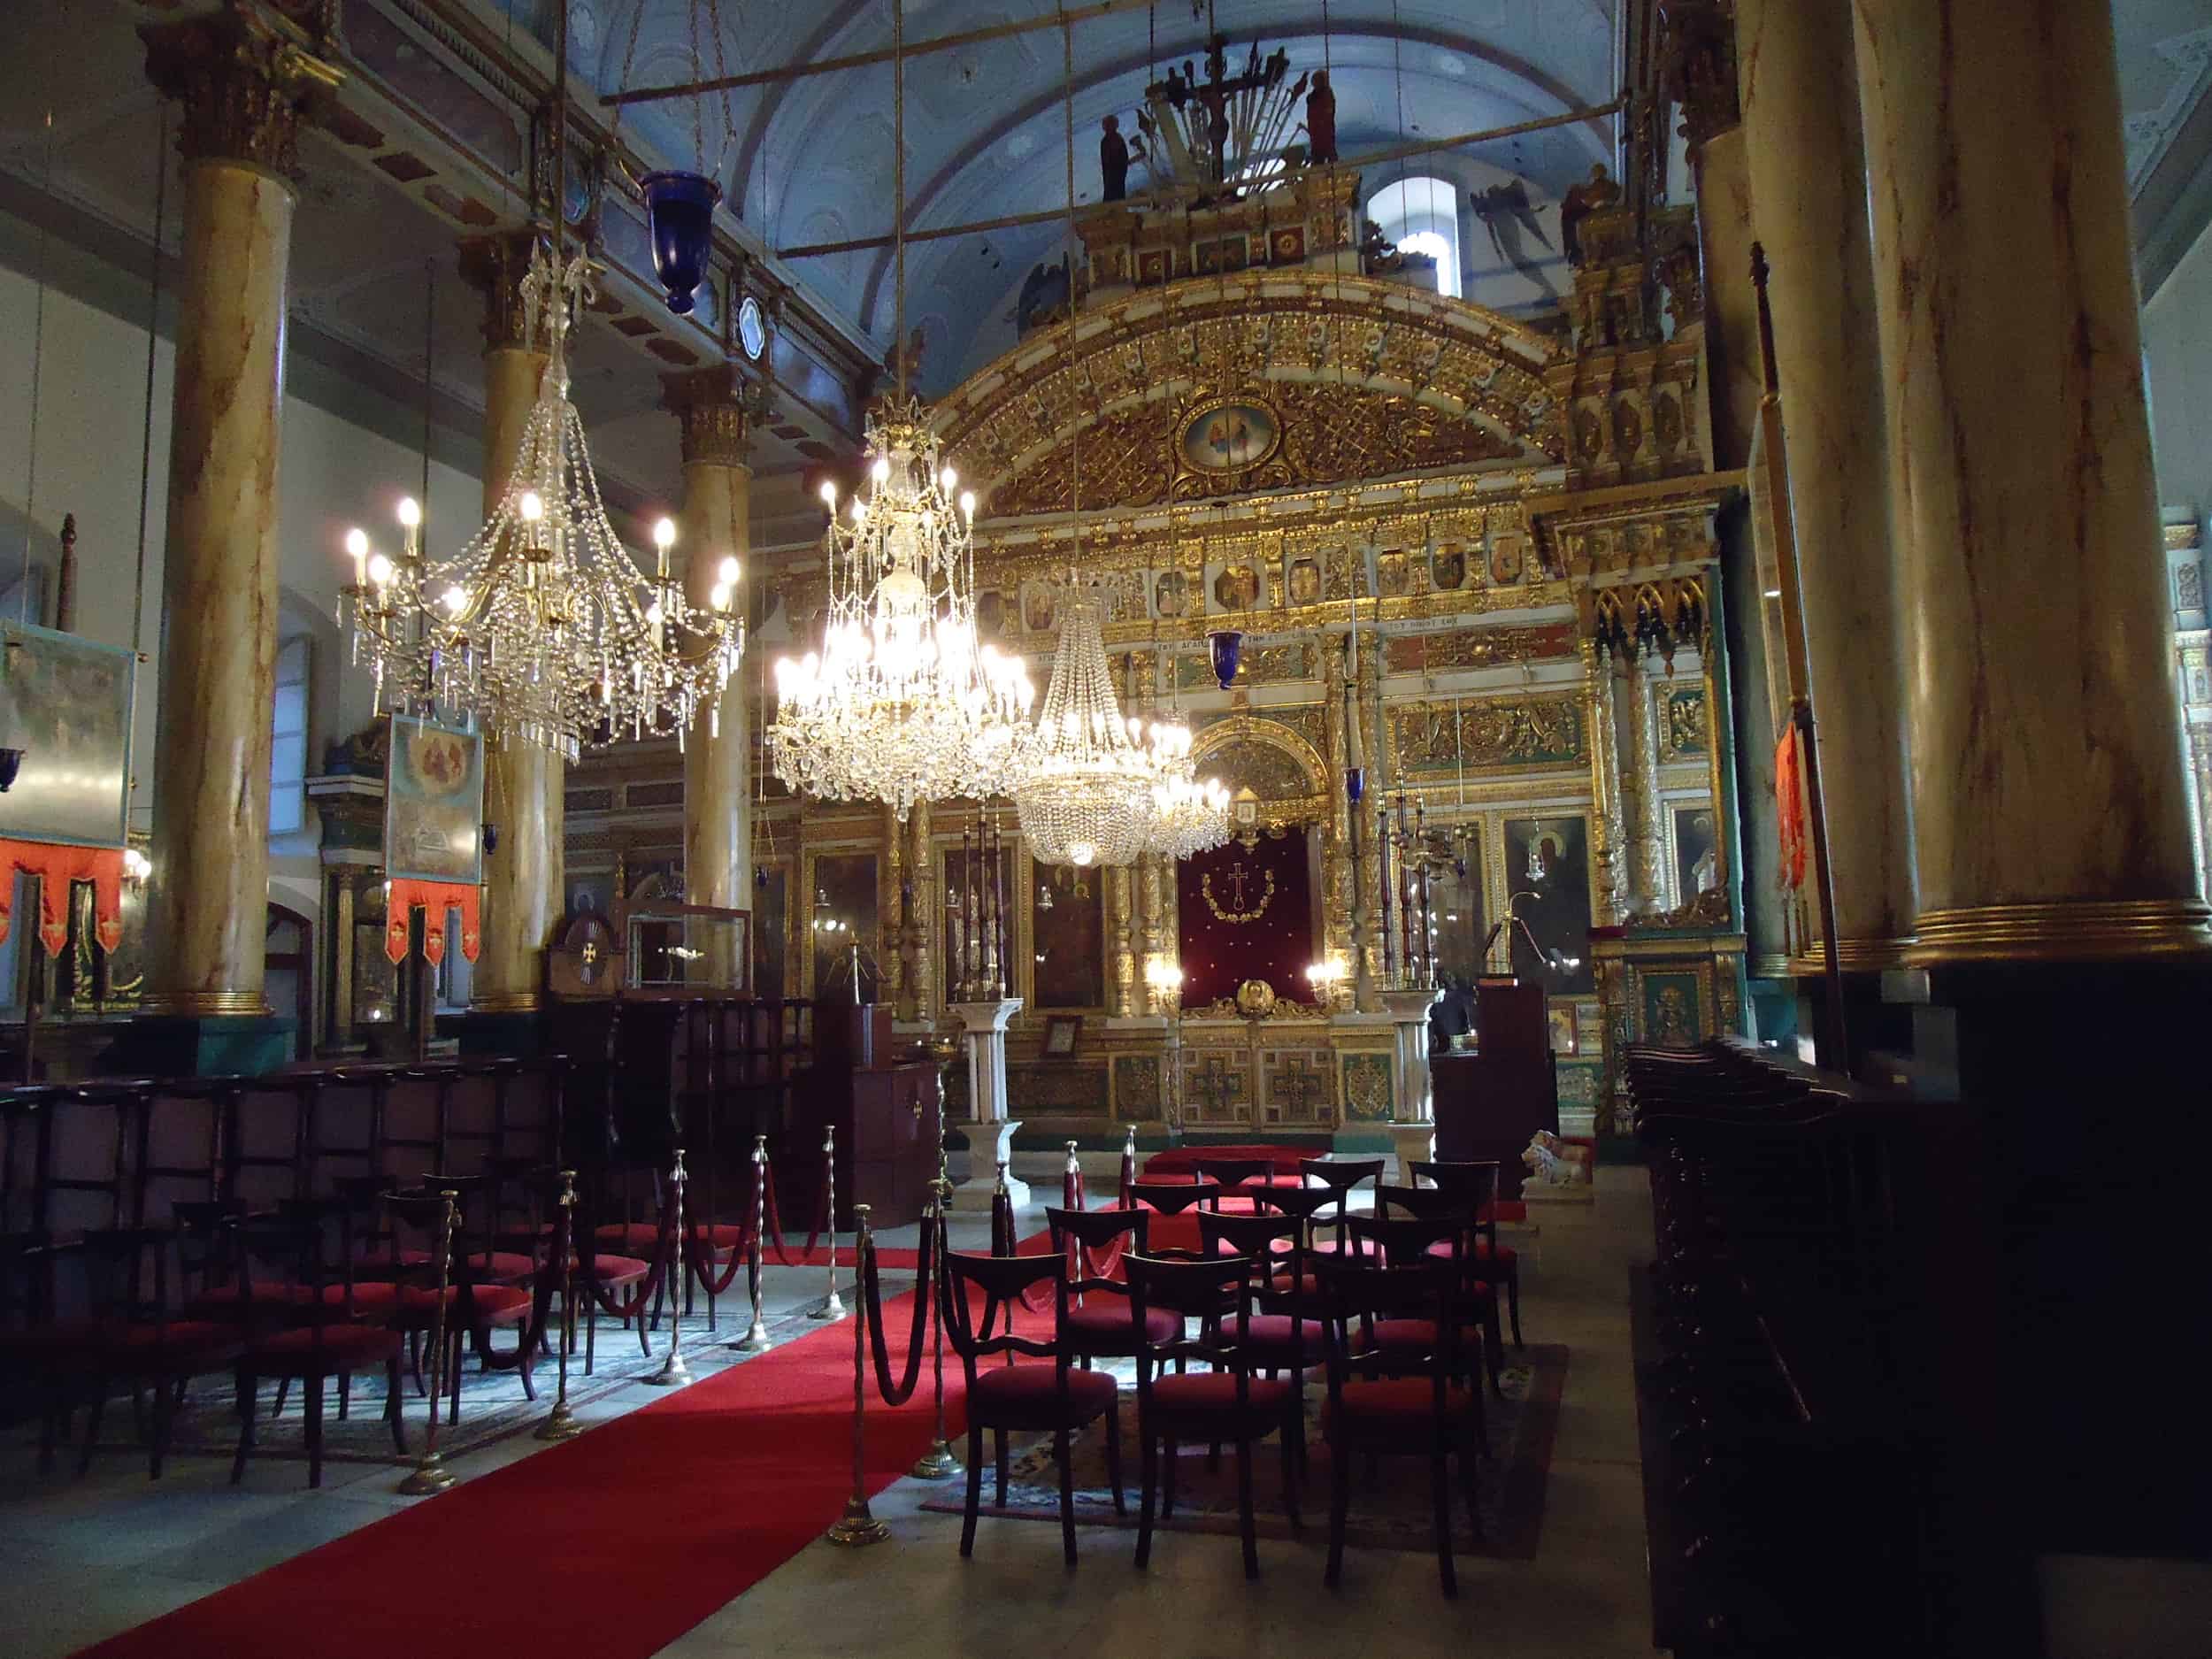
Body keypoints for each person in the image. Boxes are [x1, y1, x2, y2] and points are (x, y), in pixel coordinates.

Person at [1306, 69, 1338, 165]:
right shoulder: (1313, 96)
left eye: (1317, 80)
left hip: (1325, 130)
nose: (1315, 83)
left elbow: (1329, 110)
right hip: (1315, 131)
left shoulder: (1327, 94)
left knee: (1328, 150)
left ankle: (1333, 169)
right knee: (1317, 153)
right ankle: (1317, 169)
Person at [1100, 113, 1130, 202]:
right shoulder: (1113, 139)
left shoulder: (1110, 140)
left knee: (1114, 194)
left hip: (1114, 174)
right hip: (1114, 174)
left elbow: (1121, 158)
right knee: (1116, 194)